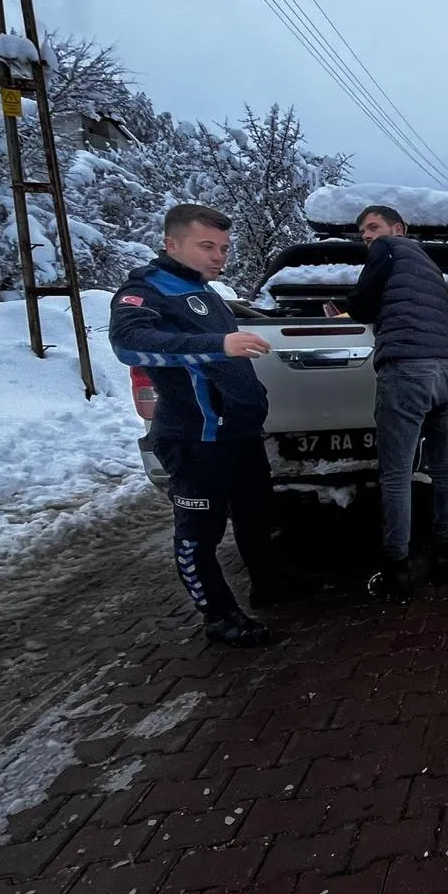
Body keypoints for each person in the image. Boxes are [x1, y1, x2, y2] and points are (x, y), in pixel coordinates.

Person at [109, 203, 281, 646]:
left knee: (255, 514)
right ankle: (219, 616)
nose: (218, 255)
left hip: (239, 433)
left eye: (223, 247)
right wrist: (218, 343)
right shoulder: (145, 291)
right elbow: (130, 343)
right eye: (207, 245)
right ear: (171, 244)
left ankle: (270, 584)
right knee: (198, 533)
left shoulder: (205, 291)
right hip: (196, 437)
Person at [341, 204, 448, 603]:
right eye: (363, 232)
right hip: (447, 373)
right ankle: (446, 554)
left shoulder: (388, 249)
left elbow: (360, 304)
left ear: (398, 228)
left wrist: (343, 306)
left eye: (373, 227)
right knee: (443, 470)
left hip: (406, 374)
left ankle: (397, 568)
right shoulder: (430, 265)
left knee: (396, 475)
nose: (368, 236)